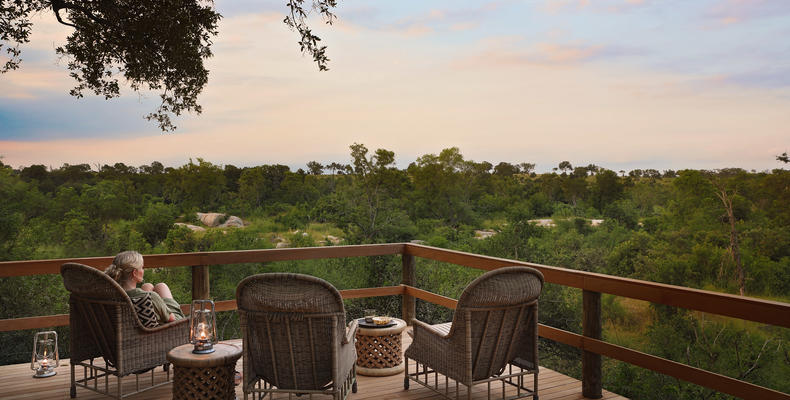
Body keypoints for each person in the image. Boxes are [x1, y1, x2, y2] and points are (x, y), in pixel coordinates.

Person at [105, 250, 185, 323]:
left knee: (147, 286)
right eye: (142, 267)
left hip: (128, 329)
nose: (143, 271)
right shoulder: (150, 297)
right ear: (135, 272)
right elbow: (172, 319)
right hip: (168, 329)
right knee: (162, 286)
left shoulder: (110, 295)